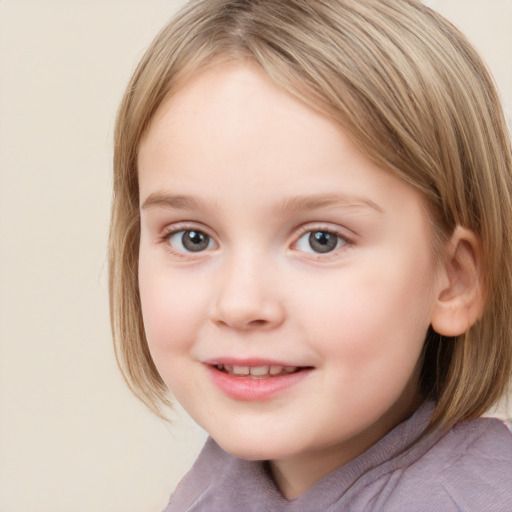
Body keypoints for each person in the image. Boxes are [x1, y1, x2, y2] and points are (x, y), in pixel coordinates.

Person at [109, 0, 512, 510]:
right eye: (193, 238)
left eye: (321, 239)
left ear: (454, 279)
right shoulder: (208, 493)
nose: (239, 303)